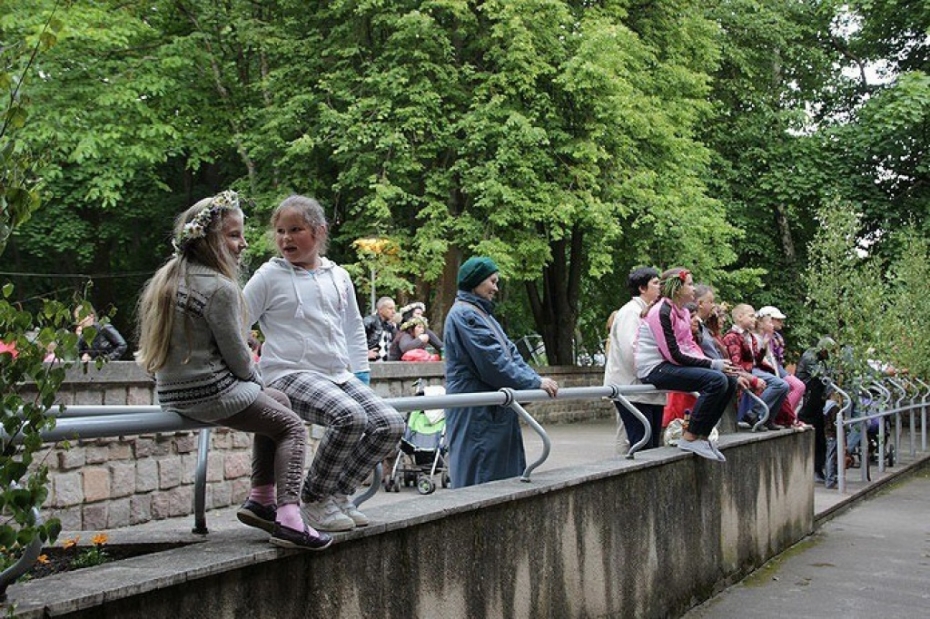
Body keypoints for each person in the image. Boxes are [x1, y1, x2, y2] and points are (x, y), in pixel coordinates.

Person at [135, 190, 331, 551]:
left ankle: (261, 498)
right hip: (211, 392)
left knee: (278, 400)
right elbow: (240, 360)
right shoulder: (219, 288)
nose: (243, 244)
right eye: (234, 235)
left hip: (174, 393)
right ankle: (289, 518)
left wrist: (260, 390)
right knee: (291, 426)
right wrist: (256, 382)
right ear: (210, 239)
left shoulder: (169, 278)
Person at [244, 195, 404, 532]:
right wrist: (244, 365)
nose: (286, 238)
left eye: (295, 230)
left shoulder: (338, 276)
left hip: (337, 375)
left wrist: (360, 375)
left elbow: (353, 329)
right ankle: (314, 500)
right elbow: (235, 321)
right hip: (288, 373)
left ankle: (338, 494)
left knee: (389, 424)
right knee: (349, 417)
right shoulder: (269, 276)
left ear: (319, 231)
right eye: (280, 231)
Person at [443, 256, 558, 487]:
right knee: (480, 481)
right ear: (475, 282)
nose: (496, 287)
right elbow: (493, 363)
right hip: (477, 413)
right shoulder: (467, 315)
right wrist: (534, 382)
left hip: (491, 411)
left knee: (500, 479)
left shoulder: (481, 314)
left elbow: (511, 354)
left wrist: (534, 379)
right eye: (492, 282)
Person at [635, 267, 739, 461]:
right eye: (690, 284)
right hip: (655, 368)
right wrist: (712, 366)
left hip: (669, 364)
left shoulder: (681, 311)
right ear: (677, 288)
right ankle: (690, 436)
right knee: (716, 381)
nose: (693, 288)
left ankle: (703, 435)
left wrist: (713, 362)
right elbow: (673, 354)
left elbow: (688, 346)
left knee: (730, 380)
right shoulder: (662, 312)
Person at [603, 266, 665, 452]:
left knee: (652, 446)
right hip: (634, 389)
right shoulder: (630, 313)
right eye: (655, 283)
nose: (660, 287)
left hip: (648, 390)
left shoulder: (650, 312)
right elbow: (631, 350)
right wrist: (656, 372)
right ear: (642, 288)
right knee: (641, 445)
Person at [722, 304, 790, 431]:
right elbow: (736, 364)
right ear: (739, 317)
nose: (754, 319)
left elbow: (756, 360)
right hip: (743, 372)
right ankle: (753, 412)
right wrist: (753, 379)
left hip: (752, 369)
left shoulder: (750, 337)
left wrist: (763, 346)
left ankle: (768, 418)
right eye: (751, 316)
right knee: (779, 384)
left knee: (784, 385)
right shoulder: (732, 336)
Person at [796, 336, 837, 482]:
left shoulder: (821, 359)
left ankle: (819, 467)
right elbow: (821, 377)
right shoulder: (811, 357)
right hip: (808, 398)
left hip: (816, 398)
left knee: (820, 434)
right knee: (816, 433)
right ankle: (814, 468)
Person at [363, 296, 397, 362]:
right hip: (370, 363)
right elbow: (354, 340)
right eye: (390, 308)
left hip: (386, 365)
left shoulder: (390, 327)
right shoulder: (369, 321)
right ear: (380, 310)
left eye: (394, 308)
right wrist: (364, 353)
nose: (394, 312)